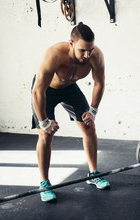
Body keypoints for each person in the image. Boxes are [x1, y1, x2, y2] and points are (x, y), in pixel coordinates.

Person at [31, 22, 110, 203]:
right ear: (71, 44)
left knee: (89, 127)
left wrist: (93, 111)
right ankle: (44, 183)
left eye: (90, 50)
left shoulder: (95, 56)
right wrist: (44, 122)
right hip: (47, 91)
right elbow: (38, 91)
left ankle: (93, 174)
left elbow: (99, 83)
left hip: (69, 88)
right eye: (82, 50)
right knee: (45, 135)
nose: (87, 55)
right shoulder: (54, 54)